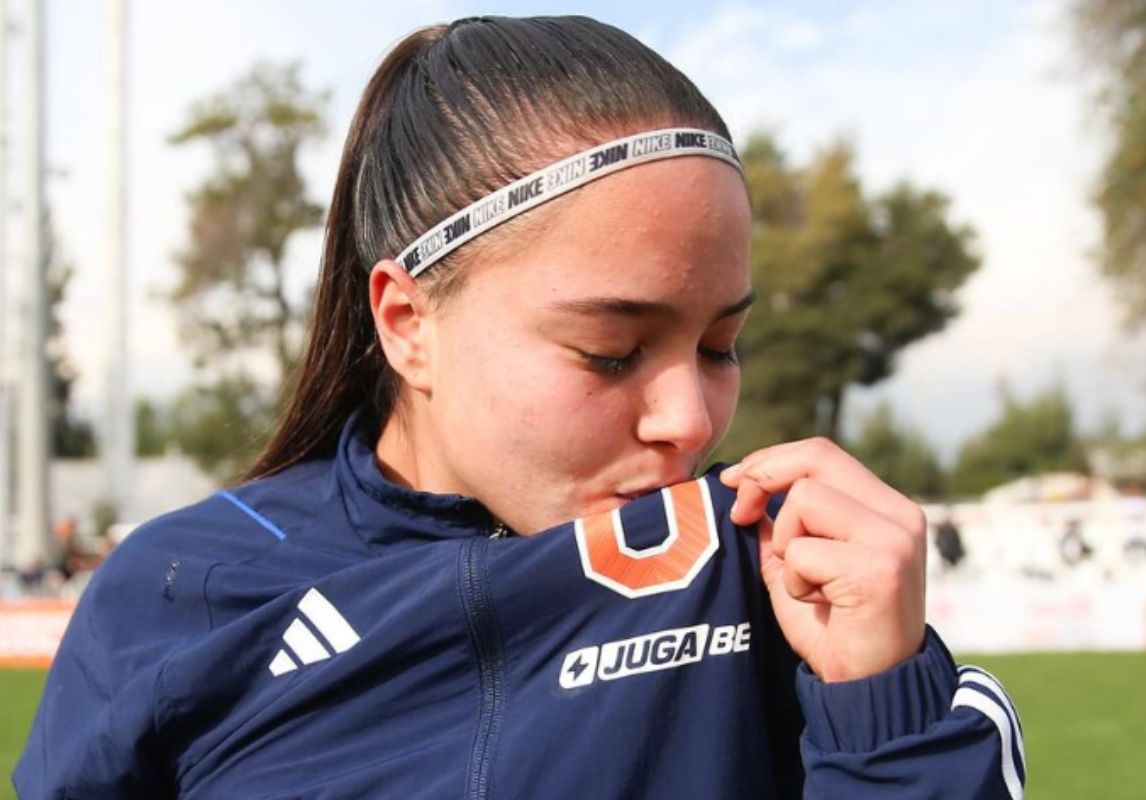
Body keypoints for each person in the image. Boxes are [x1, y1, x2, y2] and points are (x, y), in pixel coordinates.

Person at [14, 16, 1025, 799]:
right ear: (409, 322)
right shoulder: (180, 594)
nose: (692, 417)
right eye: (612, 349)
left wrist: (879, 703)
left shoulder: (770, 587)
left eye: (722, 344)